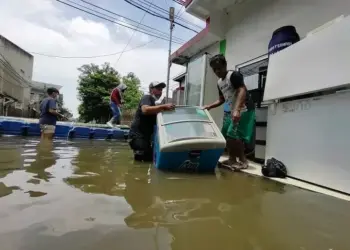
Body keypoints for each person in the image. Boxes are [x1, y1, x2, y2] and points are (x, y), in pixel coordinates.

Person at [203, 54, 255, 170]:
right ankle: (232, 159)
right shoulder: (219, 83)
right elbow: (222, 99)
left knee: (233, 134)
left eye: (219, 68)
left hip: (244, 108)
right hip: (233, 110)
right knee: (225, 133)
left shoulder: (233, 75)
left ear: (225, 65)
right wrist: (209, 106)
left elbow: (242, 90)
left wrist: (237, 109)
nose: (217, 71)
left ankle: (243, 160)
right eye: (214, 69)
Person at [129, 81, 175, 161]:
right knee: (142, 161)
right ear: (151, 89)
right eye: (157, 88)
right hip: (138, 136)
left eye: (161, 89)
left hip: (145, 138)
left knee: (148, 160)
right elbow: (145, 110)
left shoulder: (154, 104)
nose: (160, 91)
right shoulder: (147, 97)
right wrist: (163, 106)